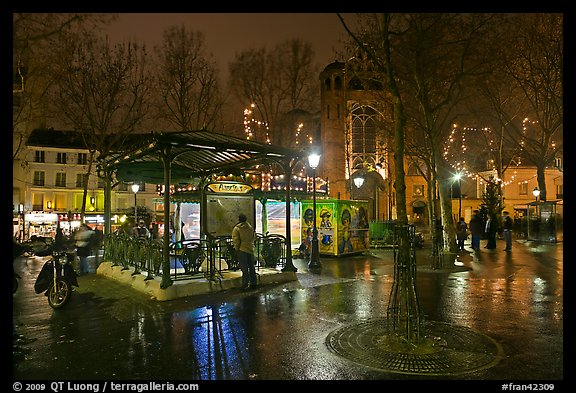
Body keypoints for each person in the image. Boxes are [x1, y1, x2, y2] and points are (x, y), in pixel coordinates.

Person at [231, 213, 257, 290]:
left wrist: (236, 248)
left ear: (239, 219)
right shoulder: (250, 227)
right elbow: (253, 237)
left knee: (244, 268)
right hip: (250, 248)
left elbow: (236, 240)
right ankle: (253, 282)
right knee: (251, 267)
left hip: (242, 249)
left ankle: (245, 284)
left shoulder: (237, 228)